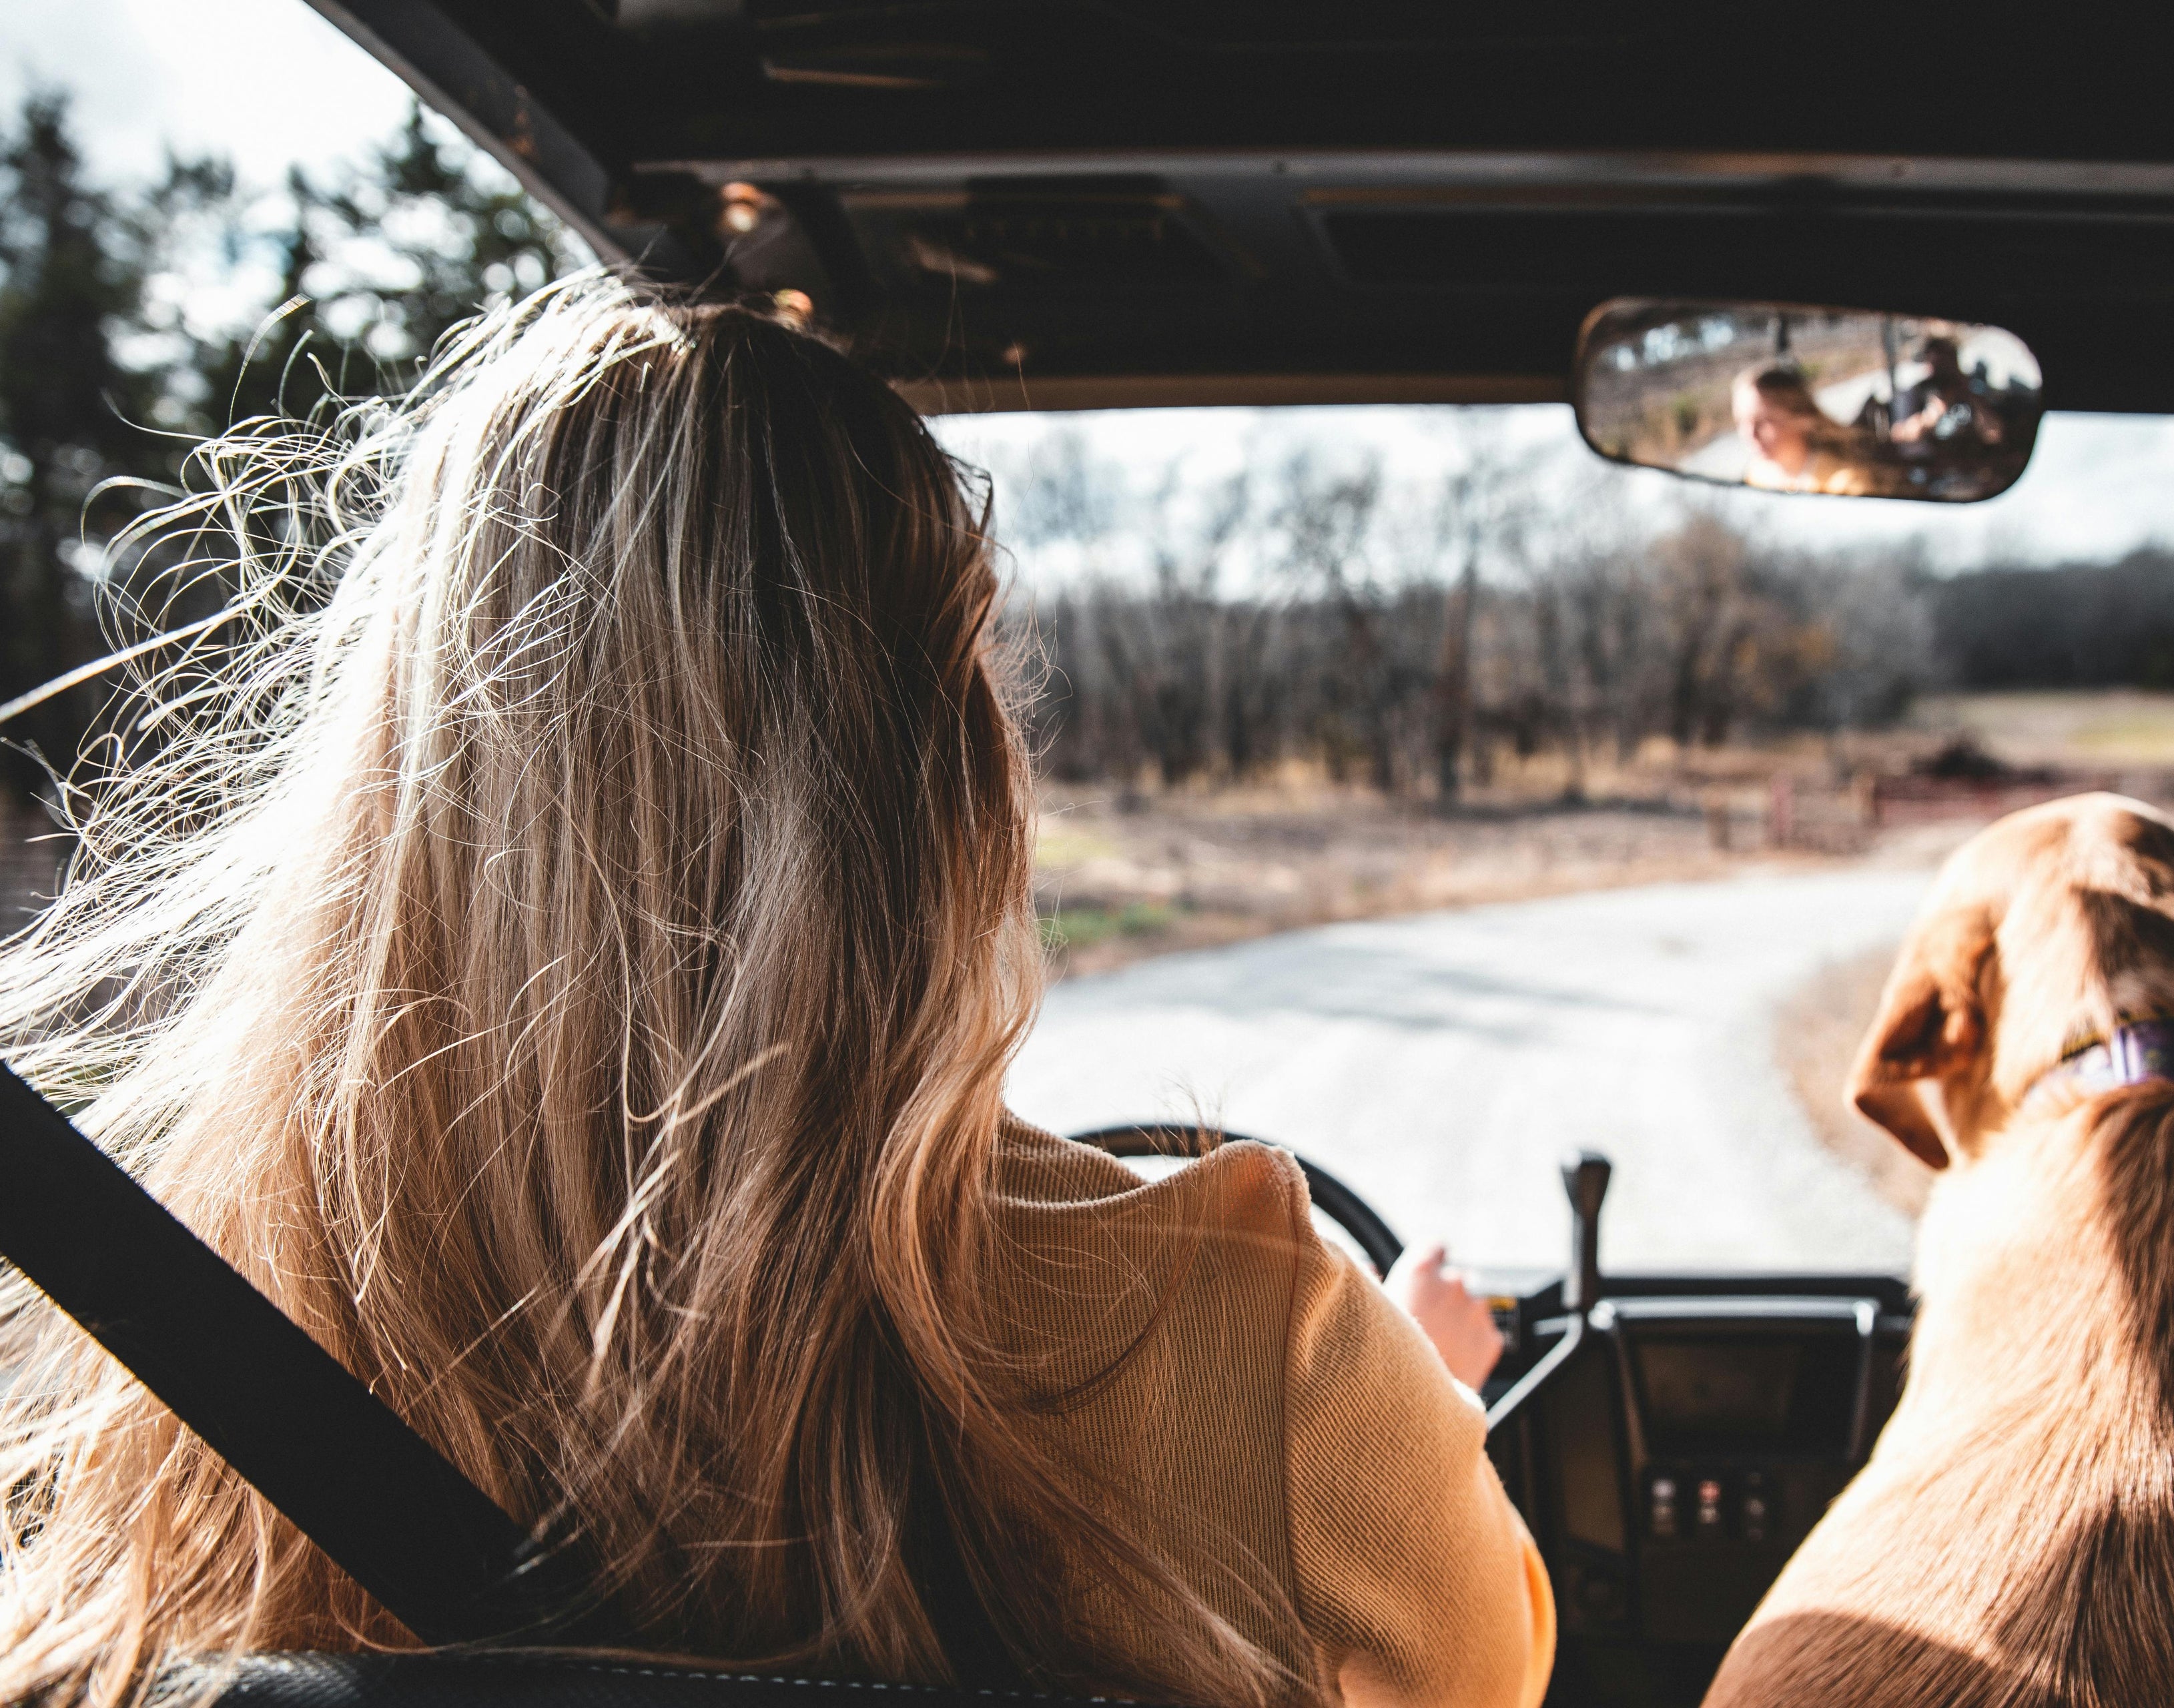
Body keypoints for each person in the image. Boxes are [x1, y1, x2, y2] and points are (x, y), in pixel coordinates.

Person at [0, 275, 1553, 1708]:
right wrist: (1425, 1396)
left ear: (403, 793)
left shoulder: (170, 1368)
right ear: (956, 781)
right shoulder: (1268, 1353)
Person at [1729, 362, 1890, 496]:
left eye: (1763, 422)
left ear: (1802, 419)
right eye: (1741, 422)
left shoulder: (1847, 486)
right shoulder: (1757, 476)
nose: (1750, 434)